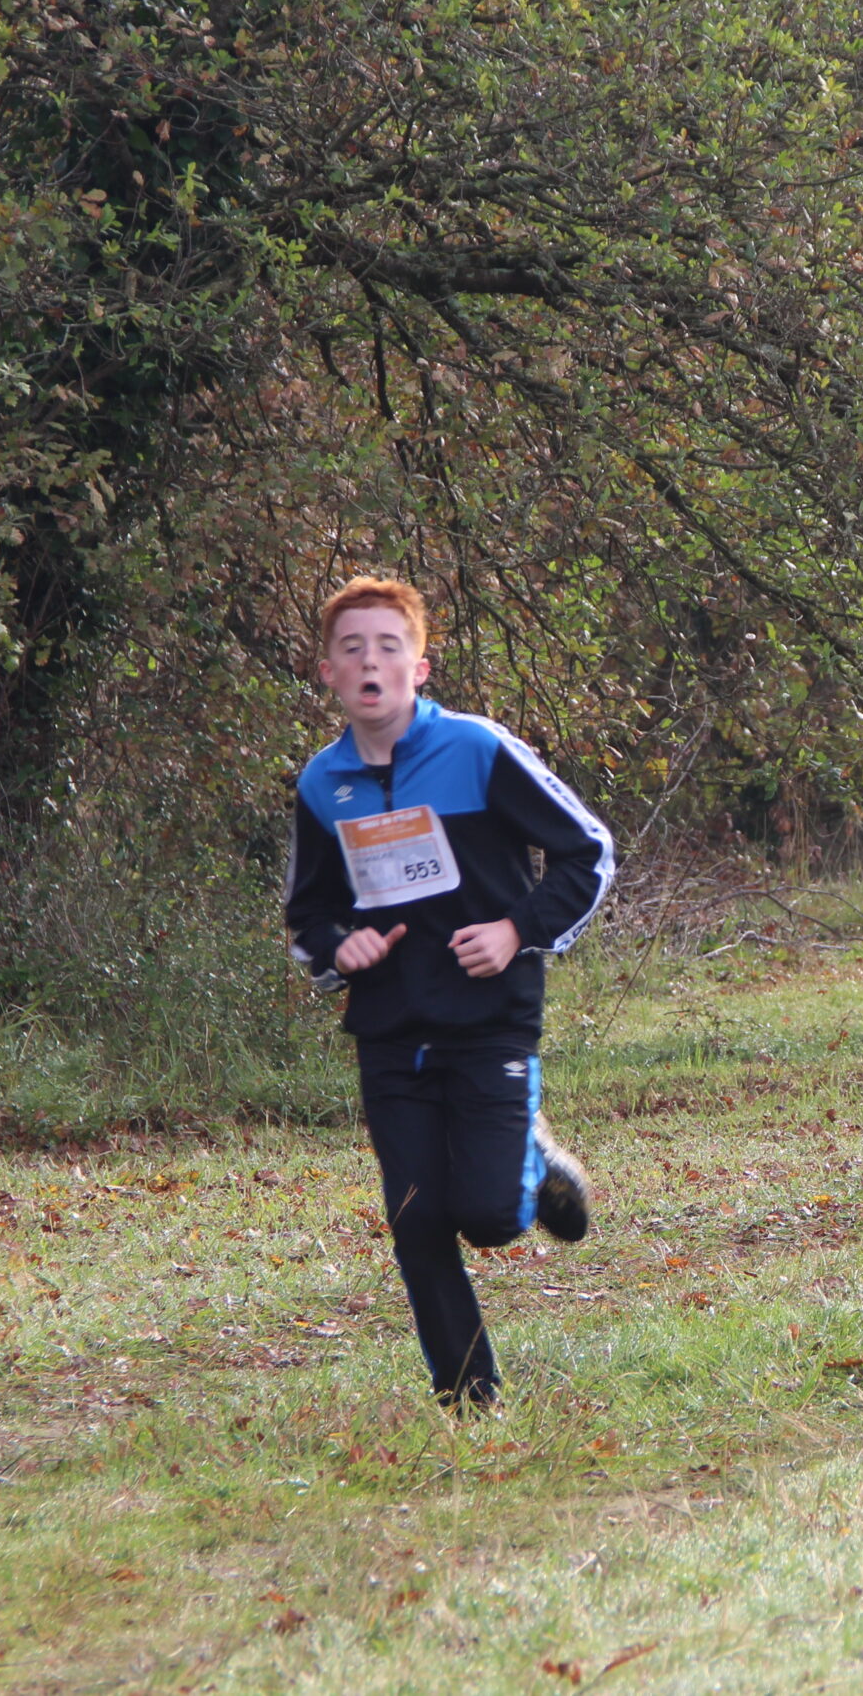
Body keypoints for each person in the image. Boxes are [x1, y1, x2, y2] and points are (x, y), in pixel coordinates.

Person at [283, 577, 615, 1407]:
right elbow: (306, 914)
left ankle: (533, 1158)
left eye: (388, 646)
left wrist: (517, 929)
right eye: (352, 648)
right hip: (390, 1029)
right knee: (417, 1216)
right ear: (328, 673)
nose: (370, 661)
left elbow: (588, 851)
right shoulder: (321, 785)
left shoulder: (476, 749)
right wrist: (339, 945)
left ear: (419, 668)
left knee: (490, 1216)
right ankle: (468, 1397)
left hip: (488, 1018)